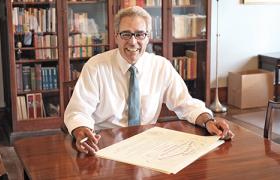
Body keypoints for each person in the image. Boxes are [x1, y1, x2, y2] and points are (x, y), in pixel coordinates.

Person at [64, 6, 234, 155]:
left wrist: (208, 120)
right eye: (126, 34)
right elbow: (78, 111)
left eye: (139, 34)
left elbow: (185, 104)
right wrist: (81, 130)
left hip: (147, 146)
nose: (133, 41)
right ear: (116, 36)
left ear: (147, 37)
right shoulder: (96, 66)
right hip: (104, 143)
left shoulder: (160, 66)